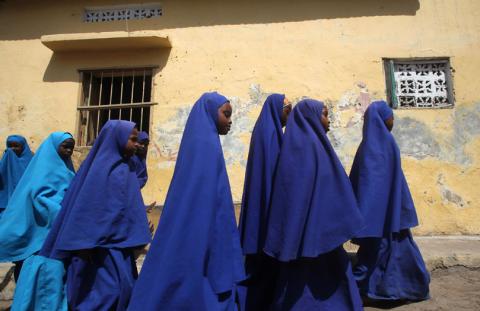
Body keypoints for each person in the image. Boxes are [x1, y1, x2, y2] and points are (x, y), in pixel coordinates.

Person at [128, 92, 245, 311]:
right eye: (226, 114)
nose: (229, 121)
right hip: (204, 225)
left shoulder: (201, 142)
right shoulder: (206, 146)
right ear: (211, 113)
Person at [39, 120, 151, 311]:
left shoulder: (127, 168)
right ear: (117, 139)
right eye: (132, 139)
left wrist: (138, 228)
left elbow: (127, 207)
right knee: (102, 296)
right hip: (95, 252)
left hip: (120, 249)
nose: (137, 144)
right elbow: (86, 210)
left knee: (124, 291)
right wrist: (82, 244)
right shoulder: (101, 171)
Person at [264, 99, 364, 311]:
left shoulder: (314, 145)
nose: (329, 121)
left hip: (321, 230)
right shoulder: (304, 148)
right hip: (308, 232)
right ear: (311, 117)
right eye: (325, 114)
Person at [349, 100, 430, 302]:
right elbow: (370, 184)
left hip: (387, 212)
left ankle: (393, 290)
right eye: (390, 116)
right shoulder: (380, 145)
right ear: (382, 119)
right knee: (377, 252)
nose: (392, 120)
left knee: (391, 252)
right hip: (380, 215)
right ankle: (372, 291)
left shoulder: (371, 144)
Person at [237, 93, 292, 310]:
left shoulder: (271, 133)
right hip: (267, 206)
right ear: (277, 109)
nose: (289, 113)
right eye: (287, 109)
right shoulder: (268, 135)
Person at [0, 132, 75, 285]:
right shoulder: (42, 170)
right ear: (54, 148)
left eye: (71, 148)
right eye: (65, 147)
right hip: (39, 231)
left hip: (58, 232)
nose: (69, 151)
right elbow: (39, 198)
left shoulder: (68, 170)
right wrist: (61, 213)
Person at [0, 135, 34, 215]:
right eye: (10, 146)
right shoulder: (7, 157)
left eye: (16, 146)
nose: (12, 149)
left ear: (23, 147)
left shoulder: (31, 160)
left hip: (25, 198)